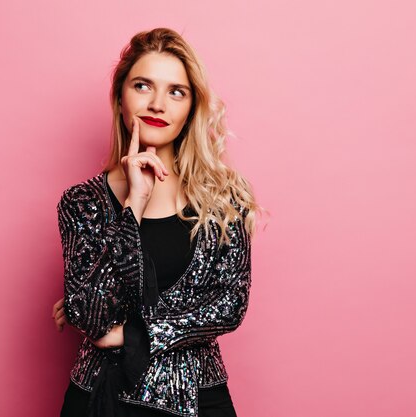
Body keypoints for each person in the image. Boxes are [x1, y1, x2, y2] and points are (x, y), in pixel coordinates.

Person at [52, 27, 259, 417]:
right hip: (102, 398)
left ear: (191, 107)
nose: (158, 105)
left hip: (198, 397)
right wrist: (134, 204)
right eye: (143, 86)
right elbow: (91, 316)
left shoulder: (224, 198)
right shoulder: (80, 203)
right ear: (120, 97)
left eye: (176, 91)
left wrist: (134, 333)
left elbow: (229, 304)